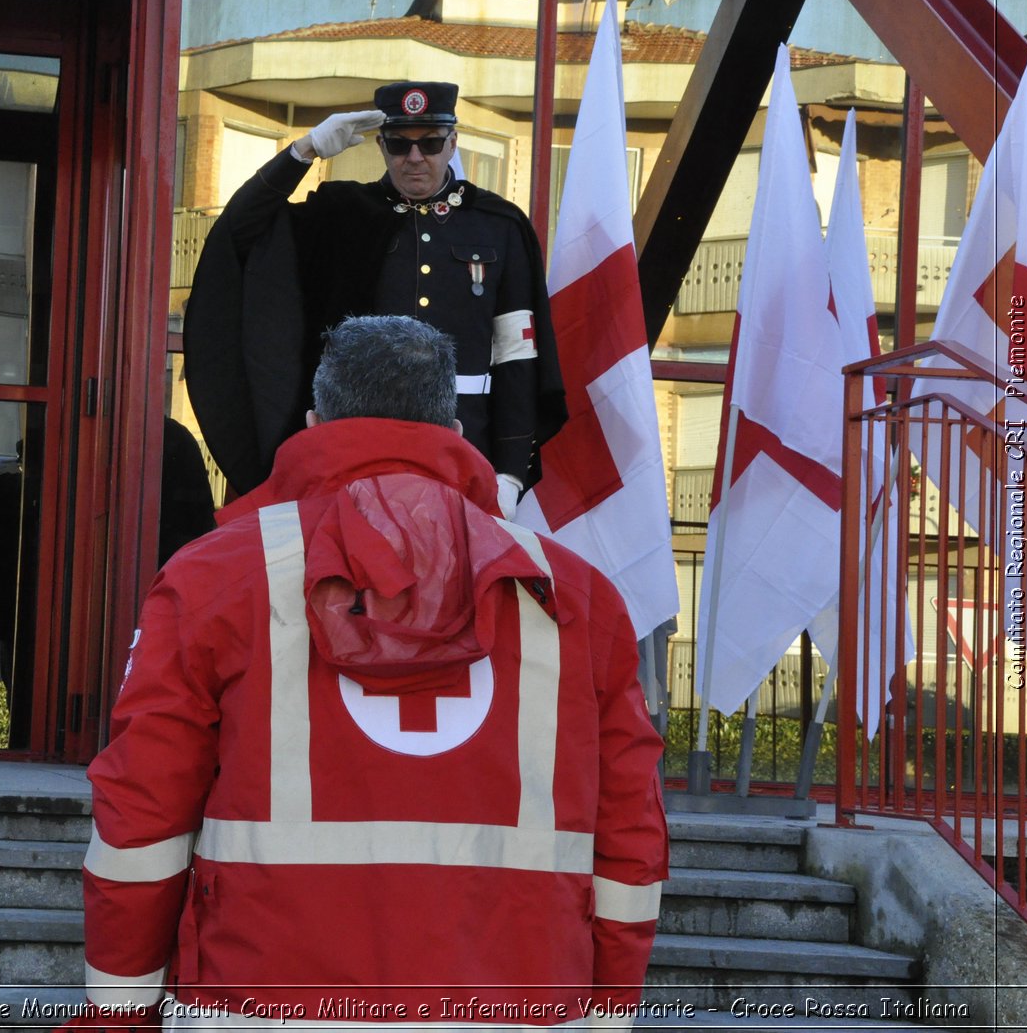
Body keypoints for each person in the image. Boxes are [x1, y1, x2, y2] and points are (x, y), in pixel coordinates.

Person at [73, 316, 666, 1030]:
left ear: (316, 420)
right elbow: (630, 840)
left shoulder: (213, 578)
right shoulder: (577, 596)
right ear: (453, 425)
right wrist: (605, 1020)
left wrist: (117, 1016)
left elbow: (141, 818)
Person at [184, 82, 566, 516]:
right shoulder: (343, 213)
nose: (416, 157)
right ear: (381, 146)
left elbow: (517, 354)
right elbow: (240, 233)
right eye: (400, 145)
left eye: (431, 143)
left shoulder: (497, 224)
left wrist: (509, 472)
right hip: (354, 453)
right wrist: (302, 153)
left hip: (464, 449)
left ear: (453, 142)